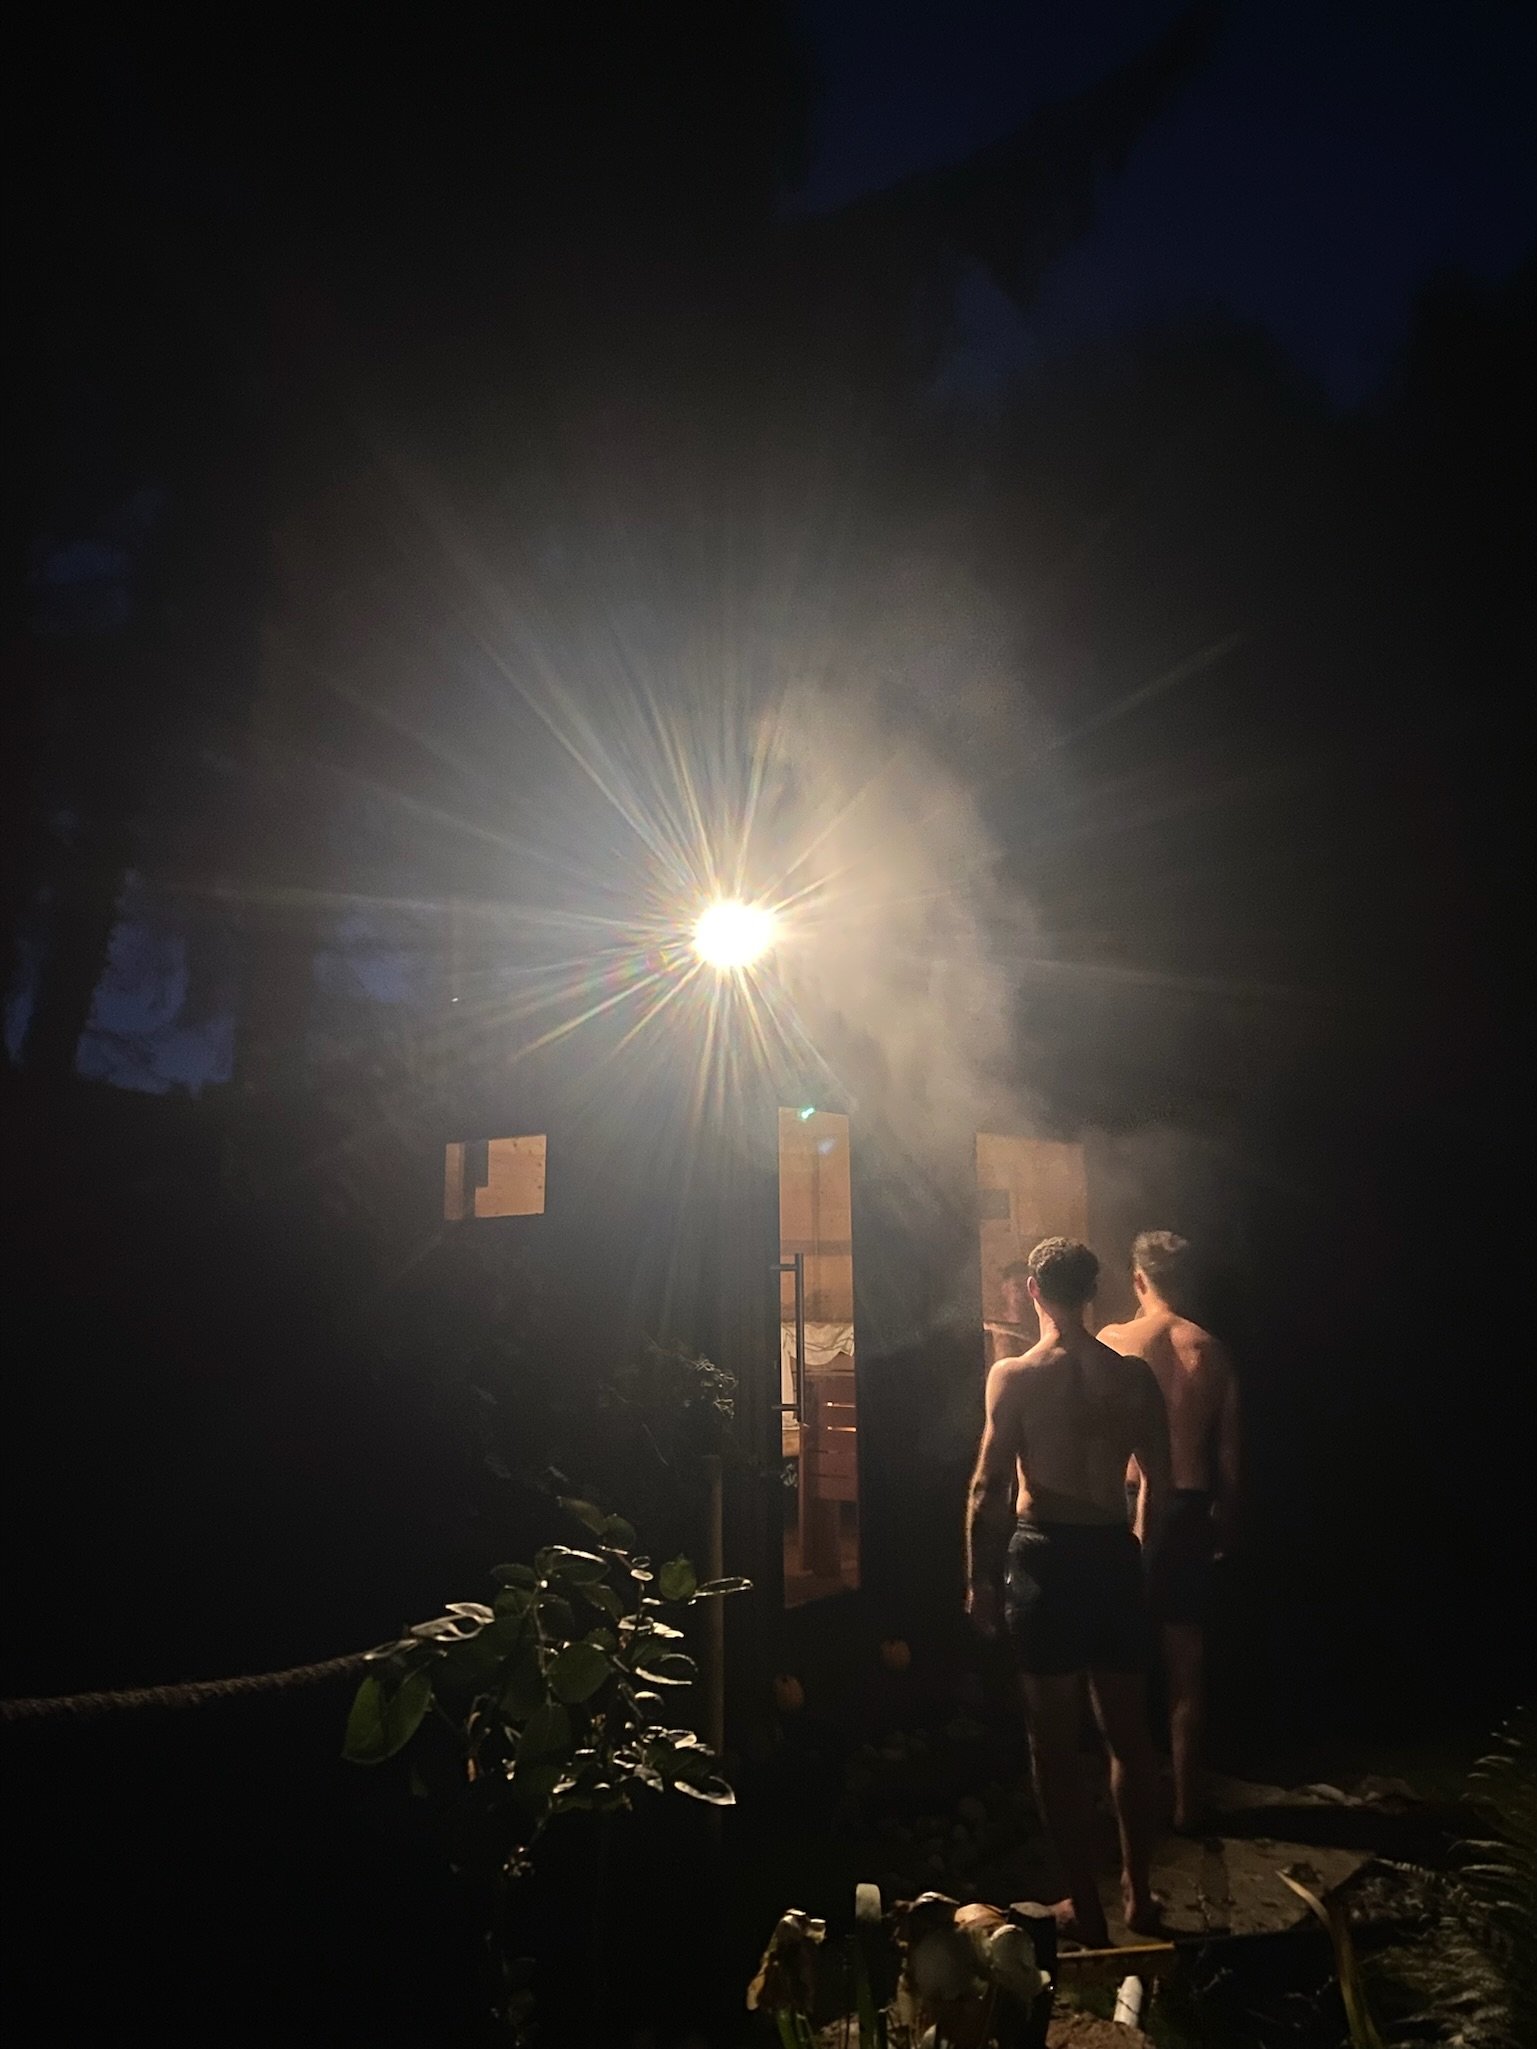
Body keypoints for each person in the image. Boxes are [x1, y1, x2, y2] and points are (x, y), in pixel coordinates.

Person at [966, 1237, 1172, 1945]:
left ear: (1031, 1290)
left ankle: (1085, 1907)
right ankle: (1138, 1894)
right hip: (1110, 1549)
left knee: (1053, 1745)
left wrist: (978, 1580)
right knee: (1128, 1734)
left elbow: (986, 1487)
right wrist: (1139, 1557)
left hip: (1047, 1557)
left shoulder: (1015, 1376)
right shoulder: (1134, 1377)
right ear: (1094, 1291)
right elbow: (1159, 1480)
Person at [1098, 1230, 1240, 1835]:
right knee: (1186, 1664)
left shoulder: (1112, 1342)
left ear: (1137, 1279)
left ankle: (1130, 1798)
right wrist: (1225, 1524)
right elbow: (1230, 1461)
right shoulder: (1212, 1351)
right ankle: (1187, 1803)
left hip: (1125, 1504)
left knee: (1119, 1665)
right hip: (1188, 1510)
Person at [983, 1258, 1035, 1368]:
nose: (1022, 1293)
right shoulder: (991, 1328)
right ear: (1004, 1289)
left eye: (1027, 1287)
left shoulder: (1043, 1327)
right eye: (1017, 1286)